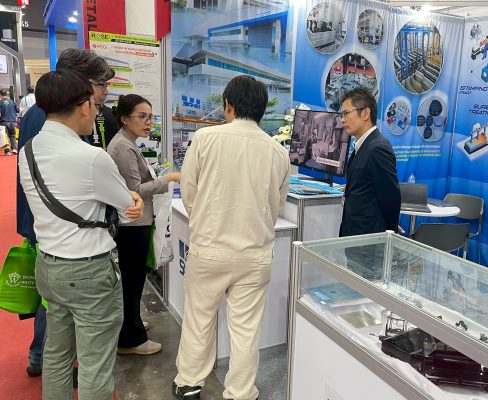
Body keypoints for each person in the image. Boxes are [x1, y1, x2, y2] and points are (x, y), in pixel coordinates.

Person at [19, 69, 144, 400]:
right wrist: (133, 199)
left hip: (49, 266)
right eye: (94, 102)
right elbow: (127, 207)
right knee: (95, 363)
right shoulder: (91, 157)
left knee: (57, 354)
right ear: (84, 106)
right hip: (89, 271)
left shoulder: (27, 151)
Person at [172, 75, 289, 400]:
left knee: (198, 320)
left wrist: (205, 220)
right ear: (262, 110)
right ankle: (240, 392)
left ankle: (189, 384)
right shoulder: (277, 152)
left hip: (209, 249)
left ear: (228, 106)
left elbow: (189, 192)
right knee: (246, 330)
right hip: (255, 255)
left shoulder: (204, 138)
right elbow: (277, 203)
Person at [107, 94, 181, 355]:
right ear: (124, 119)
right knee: (132, 280)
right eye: (142, 117)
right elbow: (135, 190)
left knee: (134, 280)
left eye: (151, 117)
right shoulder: (123, 147)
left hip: (135, 222)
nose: (149, 122)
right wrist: (168, 179)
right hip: (132, 224)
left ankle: (132, 324)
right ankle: (131, 339)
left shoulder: (127, 143)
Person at [338, 88, 400, 279]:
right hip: (358, 239)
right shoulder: (362, 145)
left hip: (370, 244)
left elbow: (391, 198)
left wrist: (388, 234)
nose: (342, 120)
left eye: (346, 113)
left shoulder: (377, 148)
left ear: (365, 113)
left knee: (367, 291)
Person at [86, 71, 119, 150]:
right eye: (101, 85)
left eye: (106, 86)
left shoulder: (111, 115)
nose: (106, 92)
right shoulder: (71, 117)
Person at [0, 88, 19, 154]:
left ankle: (7, 151)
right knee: (12, 135)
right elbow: (18, 110)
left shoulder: (0, 102)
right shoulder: (12, 102)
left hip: (4, 122)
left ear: (0, 95)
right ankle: (14, 149)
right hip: (13, 122)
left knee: (5, 137)